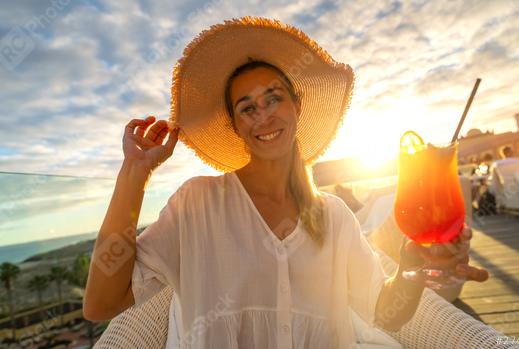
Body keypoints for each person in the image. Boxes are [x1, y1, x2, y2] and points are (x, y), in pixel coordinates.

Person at [83, 17, 489, 348]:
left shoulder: (332, 216)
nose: (264, 116)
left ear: (296, 105)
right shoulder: (198, 204)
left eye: (274, 98)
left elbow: (385, 314)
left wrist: (412, 270)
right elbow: (101, 303)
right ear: (237, 127)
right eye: (247, 108)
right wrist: (134, 174)